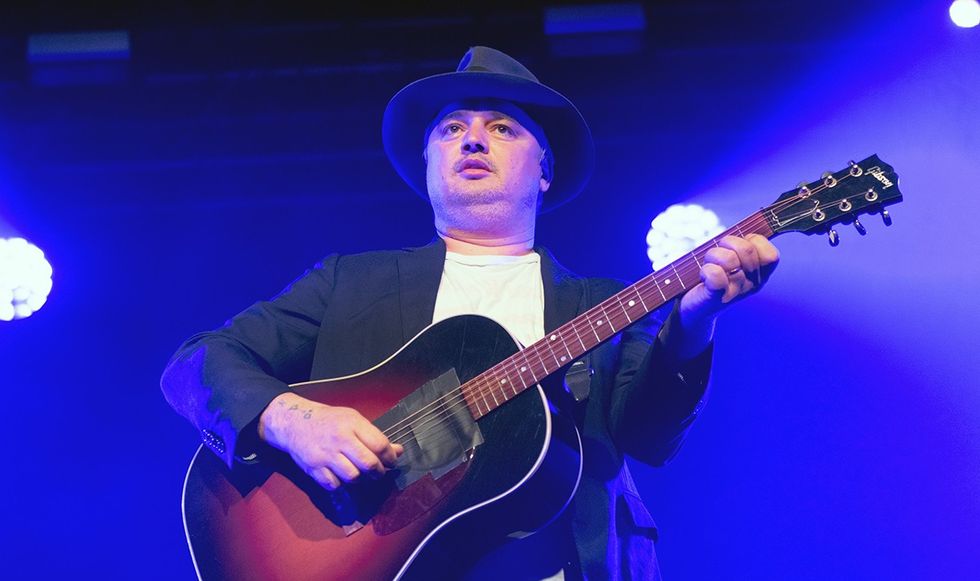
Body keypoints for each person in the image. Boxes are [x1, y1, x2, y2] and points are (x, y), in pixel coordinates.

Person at [162, 46, 779, 580]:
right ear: (428, 163)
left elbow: (649, 437)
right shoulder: (348, 282)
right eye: (451, 128)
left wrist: (696, 318)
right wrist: (292, 419)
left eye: (504, 128)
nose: (474, 138)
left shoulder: (602, 305)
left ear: (544, 171)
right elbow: (196, 363)